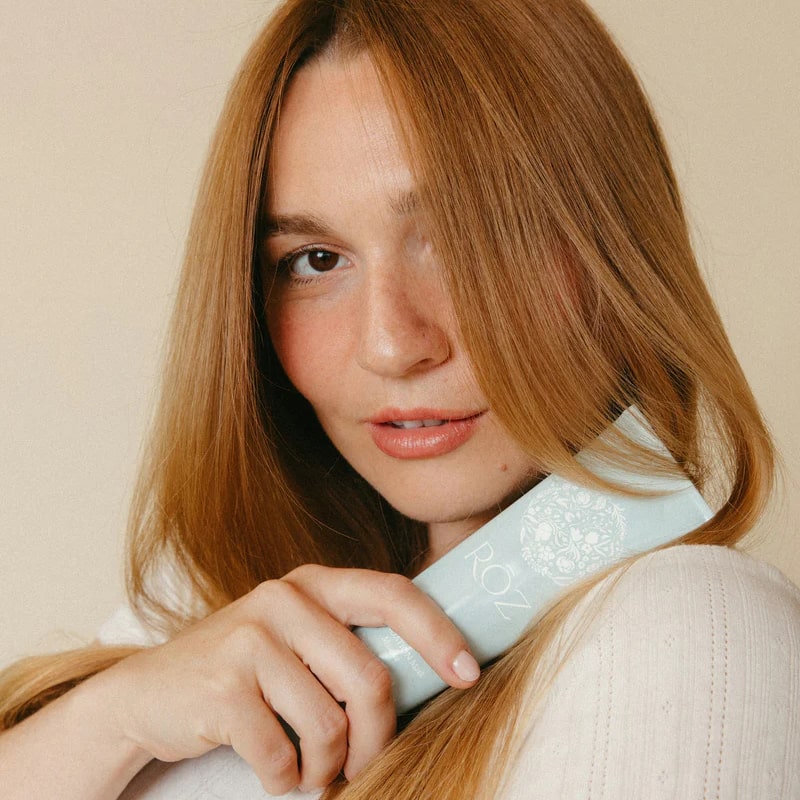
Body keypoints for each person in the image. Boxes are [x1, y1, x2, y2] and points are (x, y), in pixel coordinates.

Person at [1, 0, 798, 797]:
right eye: (316, 260)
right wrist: (105, 719)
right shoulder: (206, 611)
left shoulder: (688, 629)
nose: (391, 343)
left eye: (465, 239)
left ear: (616, 247)